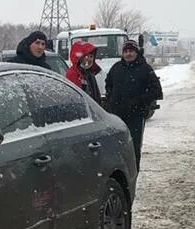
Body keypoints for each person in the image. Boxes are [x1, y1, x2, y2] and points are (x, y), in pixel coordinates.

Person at [104, 40, 163, 169]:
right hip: (116, 116)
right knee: (116, 147)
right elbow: (108, 84)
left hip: (135, 116)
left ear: (136, 52)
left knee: (133, 147)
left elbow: (156, 91)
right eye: (125, 51)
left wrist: (139, 102)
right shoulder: (116, 68)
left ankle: (133, 173)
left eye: (131, 51)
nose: (128, 54)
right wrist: (110, 101)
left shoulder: (145, 69)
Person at [66, 40, 103, 105]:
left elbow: (96, 96)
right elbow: (75, 99)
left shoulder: (89, 73)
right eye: (85, 56)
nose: (89, 59)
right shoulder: (73, 74)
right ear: (78, 58)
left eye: (91, 56)